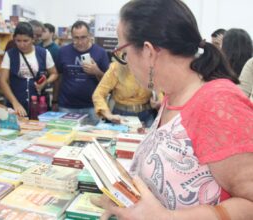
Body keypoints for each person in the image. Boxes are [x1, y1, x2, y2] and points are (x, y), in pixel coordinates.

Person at [93, 0, 253, 219]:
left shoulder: (218, 104)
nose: (126, 62)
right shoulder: (173, 95)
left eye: (124, 52)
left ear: (148, 51)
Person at [53, 20, 110, 125]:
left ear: (90, 36)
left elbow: (107, 83)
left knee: (91, 138)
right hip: (66, 106)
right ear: (71, 36)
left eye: (83, 37)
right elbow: (58, 77)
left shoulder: (100, 53)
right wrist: (54, 101)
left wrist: (96, 71)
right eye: (76, 38)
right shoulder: (63, 52)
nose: (80, 42)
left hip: (93, 106)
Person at [0, 22, 58, 117]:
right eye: (18, 41)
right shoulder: (10, 54)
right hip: (16, 104)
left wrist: (45, 82)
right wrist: (15, 103)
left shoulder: (44, 53)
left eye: (26, 41)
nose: (22, 45)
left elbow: (54, 73)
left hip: (39, 105)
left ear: (33, 39)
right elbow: (2, 80)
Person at [92, 61, 158, 128]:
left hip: (147, 115)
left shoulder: (154, 67)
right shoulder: (116, 67)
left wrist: (159, 102)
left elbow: (162, 90)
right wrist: (108, 115)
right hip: (120, 116)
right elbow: (98, 94)